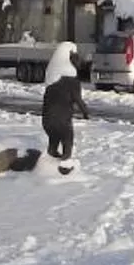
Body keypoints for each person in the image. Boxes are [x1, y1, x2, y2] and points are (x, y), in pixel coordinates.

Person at [41, 39, 87, 170]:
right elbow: (78, 99)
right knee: (67, 139)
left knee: (54, 139)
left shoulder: (51, 79)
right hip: (62, 119)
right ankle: (65, 166)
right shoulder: (72, 81)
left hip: (47, 120)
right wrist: (85, 112)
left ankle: (49, 162)